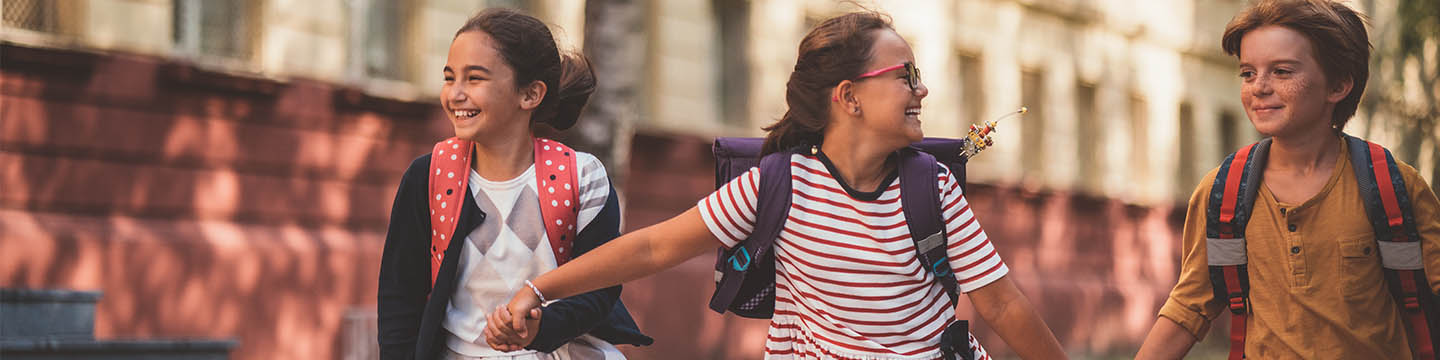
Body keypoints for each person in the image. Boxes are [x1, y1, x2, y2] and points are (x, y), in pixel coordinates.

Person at [485, 11, 1067, 360]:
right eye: (906, 76)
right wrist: (540, 289)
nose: (922, 90)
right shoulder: (779, 186)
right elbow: (652, 247)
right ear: (849, 97)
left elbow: (1004, 303)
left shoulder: (931, 188)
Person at [1136, 0, 1440, 359]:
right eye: (1248, 73)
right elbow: (1189, 307)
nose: (1259, 87)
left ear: (1338, 85)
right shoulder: (1223, 193)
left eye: (1281, 71)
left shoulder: (1392, 187)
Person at [378, 8, 649, 360]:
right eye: (449, 78)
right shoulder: (428, 177)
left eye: (474, 79)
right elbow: (400, 297)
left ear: (530, 94)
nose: (455, 94)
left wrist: (541, 328)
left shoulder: (584, 178)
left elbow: (600, 287)